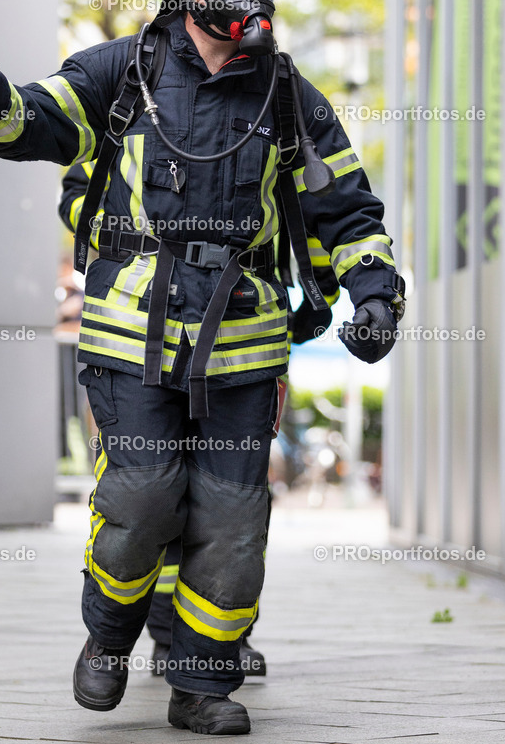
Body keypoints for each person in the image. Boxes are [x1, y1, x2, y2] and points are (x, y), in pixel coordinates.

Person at [0, 0, 405, 736]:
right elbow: (34, 122)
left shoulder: (290, 97)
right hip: (129, 337)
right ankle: (108, 638)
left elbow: (345, 212)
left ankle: (200, 685)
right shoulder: (120, 72)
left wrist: (373, 292)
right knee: (144, 495)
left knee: (231, 521)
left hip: (244, 344)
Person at [58, 161, 342, 679]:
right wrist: (143, 228)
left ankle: (212, 651)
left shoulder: (273, 104)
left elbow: (316, 210)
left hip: (246, 331)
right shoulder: (129, 94)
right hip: (137, 335)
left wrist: (318, 288)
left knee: (229, 505)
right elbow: (80, 196)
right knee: (150, 494)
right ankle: (160, 636)